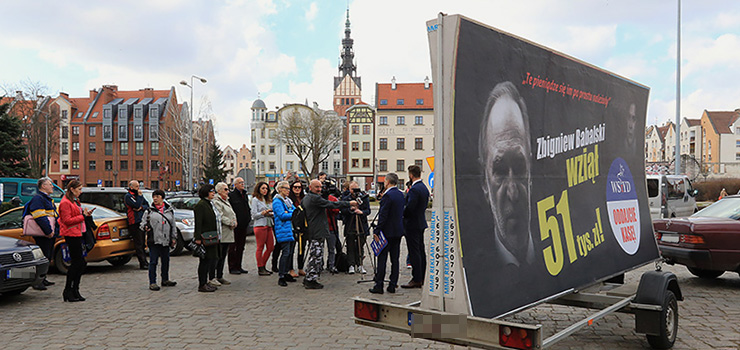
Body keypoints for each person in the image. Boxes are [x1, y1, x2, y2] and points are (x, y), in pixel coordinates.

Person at [478, 81, 535, 268]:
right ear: (484, 181)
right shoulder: (478, 266)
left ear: (531, 169)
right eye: (500, 171)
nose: (513, 192)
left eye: (519, 168)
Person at [301, 179, 358, 289]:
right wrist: (349, 203)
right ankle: (310, 279)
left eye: (320, 187)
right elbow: (332, 204)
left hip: (313, 230)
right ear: (310, 187)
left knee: (315, 254)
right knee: (316, 256)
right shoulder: (314, 198)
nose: (319, 189)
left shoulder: (306, 197)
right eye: (317, 187)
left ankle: (310, 276)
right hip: (317, 231)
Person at [369, 173, 405, 294]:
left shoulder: (387, 196)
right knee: (395, 259)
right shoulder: (401, 195)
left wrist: (377, 230)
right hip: (398, 231)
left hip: (386, 232)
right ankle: (392, 284)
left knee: (382, 259)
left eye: (384, 181)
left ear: (388, 182)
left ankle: (379, 285)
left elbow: (383, 216)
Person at [58, 180, 93, 302]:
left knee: (81, 263)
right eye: (79, 189)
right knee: (77, 263)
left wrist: (85, 214)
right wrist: (82, 216)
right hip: (71, 234)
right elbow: (67, 220)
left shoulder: (74, 201)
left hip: (78, 233)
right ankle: (69, 290)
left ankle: (74, 289)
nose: (81, 192)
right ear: (72, 189)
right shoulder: (65, 202)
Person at [23, 177, 58, 290]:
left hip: (48, 233)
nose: (52, 186)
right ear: (43, 186)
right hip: (43, 234)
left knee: (47, 256)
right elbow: (39, 217)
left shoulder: (46, 199)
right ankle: (37, 282)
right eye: (50, 184)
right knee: (42, 257)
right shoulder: (38, 199)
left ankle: (43, 278)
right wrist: (48, 231)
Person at [140, 189, 177, 291]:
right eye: (154, 197)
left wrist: (173, 237)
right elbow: (142, 224)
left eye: (157, 196)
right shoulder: (149, 211)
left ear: (162, 198)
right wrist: (145, 227)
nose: (155, 199)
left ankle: (165, 279)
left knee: (166, 261)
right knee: (153, 262)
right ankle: (152, 282)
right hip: (154, 240)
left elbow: (173, 225)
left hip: (165, 240)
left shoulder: (169, 210)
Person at [402, 165, 430, 289]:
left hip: (412, 223)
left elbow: (410, 207)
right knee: (420, 250)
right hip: (420, 222)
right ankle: (423, 275)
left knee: (414, 252)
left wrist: (402, 213)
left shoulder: (414, 189)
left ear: (411, 175)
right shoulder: (424, 187)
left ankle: (417, 278)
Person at [193, 184, 221, 292]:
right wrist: (197, 237)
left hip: (211, 237)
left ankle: (206, 282)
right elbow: (198, 222)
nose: (213, 193)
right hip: (205, 237)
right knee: (204, 261)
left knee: (210, 259)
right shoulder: (201, 205)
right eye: (211, 191)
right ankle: (202, 284)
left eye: (214, 191)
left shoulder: (209, 204)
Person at [340, 181, 370, 274]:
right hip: (350, 224)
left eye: (356, 189)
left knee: (360, 245)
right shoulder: (346, 198)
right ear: (349, 189)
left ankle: (360, 264)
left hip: (362, 224)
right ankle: (351, 265)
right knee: (350, 245)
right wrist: (350, 209)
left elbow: (368, 210)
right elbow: (342, 210)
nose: (355, 191)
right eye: (353, 189)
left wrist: (361, 212)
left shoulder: (364, 198)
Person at [272, 181, 297, 286]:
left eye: (288, 188)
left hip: (290, 229)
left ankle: (286, 272)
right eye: (286, 188)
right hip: (283, 230)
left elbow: (296, 211)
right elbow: (282, 215)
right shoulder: (277, 201)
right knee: (285, 253)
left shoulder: (288, 200)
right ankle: (281, 275)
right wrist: (291, 213)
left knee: (290, 253)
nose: (288, 190)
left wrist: (290, 212)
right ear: (280, 189)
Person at [212, 182, 236, 286]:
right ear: (219, 191)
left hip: (228, 232)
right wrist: (230, 222)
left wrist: (234, 221)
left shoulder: (226, 200)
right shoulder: (217, 201)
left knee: (223, 256)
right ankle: (213, 276)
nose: (228, 191)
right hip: (222, 232)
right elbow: (220, 216)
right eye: (225, 189)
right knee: (218, 256)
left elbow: (231, 213)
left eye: (228, 189)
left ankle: (220, 275)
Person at [124, 180, 150, 269]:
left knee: (143, 242)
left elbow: (146, 205)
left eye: (138, 186)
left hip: (141, 221)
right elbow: (136, 205)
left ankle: (145, 261)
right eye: (136, 187)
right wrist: (139, 198)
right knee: (138, 243)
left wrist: (141, 208)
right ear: (131, 187)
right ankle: (142, 262)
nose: (138, 189)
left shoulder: (138, 196)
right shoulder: (128, 196)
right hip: (134, 222)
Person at [227, 177, 251, 275]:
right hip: (235, 226)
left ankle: (239, 265)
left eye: (243, 182)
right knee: (233, 247)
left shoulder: (244, 194)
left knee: (241, 247)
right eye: (240, 183)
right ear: (235, 185)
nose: (242, 184)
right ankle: (232, 267)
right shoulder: (232, 196)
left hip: (244, 225)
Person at [251, 182, 275, 276]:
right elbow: (254, 215)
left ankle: (263, 265)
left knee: (270, 247)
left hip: (269, 224)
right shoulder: (255, 200)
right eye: (263, 188)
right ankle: (260, 267)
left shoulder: (268, 200)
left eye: (266, 188)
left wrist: (270, 213)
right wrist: (263, 213)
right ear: (258, 189)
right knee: (260, 247)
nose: (265, 190)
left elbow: (273, 212)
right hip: (260, 225)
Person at [288, 180, 306, 277]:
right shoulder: (289, 199)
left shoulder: (304, 199)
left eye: (299, 187)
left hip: (303, 227)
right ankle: (290, 269)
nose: (297, 189)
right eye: (295, 187)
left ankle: (300, 268)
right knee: (291, 249)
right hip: (292, 227)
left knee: (301, 249)